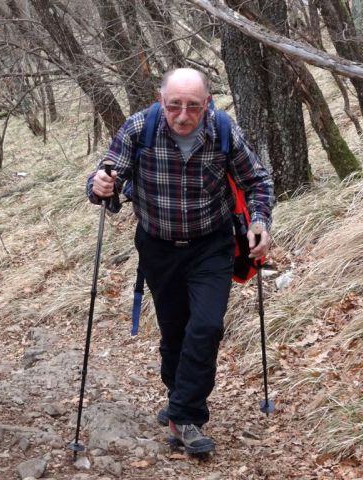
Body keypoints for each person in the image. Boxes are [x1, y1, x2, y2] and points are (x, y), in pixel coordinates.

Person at [86, 68, 274, 455]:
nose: (183, 115)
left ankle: (187, 416)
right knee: (174, 330)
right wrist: (100, 185)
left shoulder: (223, 130)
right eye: (174, 106)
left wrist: (259, 222)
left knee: (205, 326)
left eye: (192, 106)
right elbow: (107, 176)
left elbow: (257, 181)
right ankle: (178, 395)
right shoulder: (139, 128)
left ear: (207, 103)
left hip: (212, 244)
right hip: (158, 245)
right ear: (162, 102)